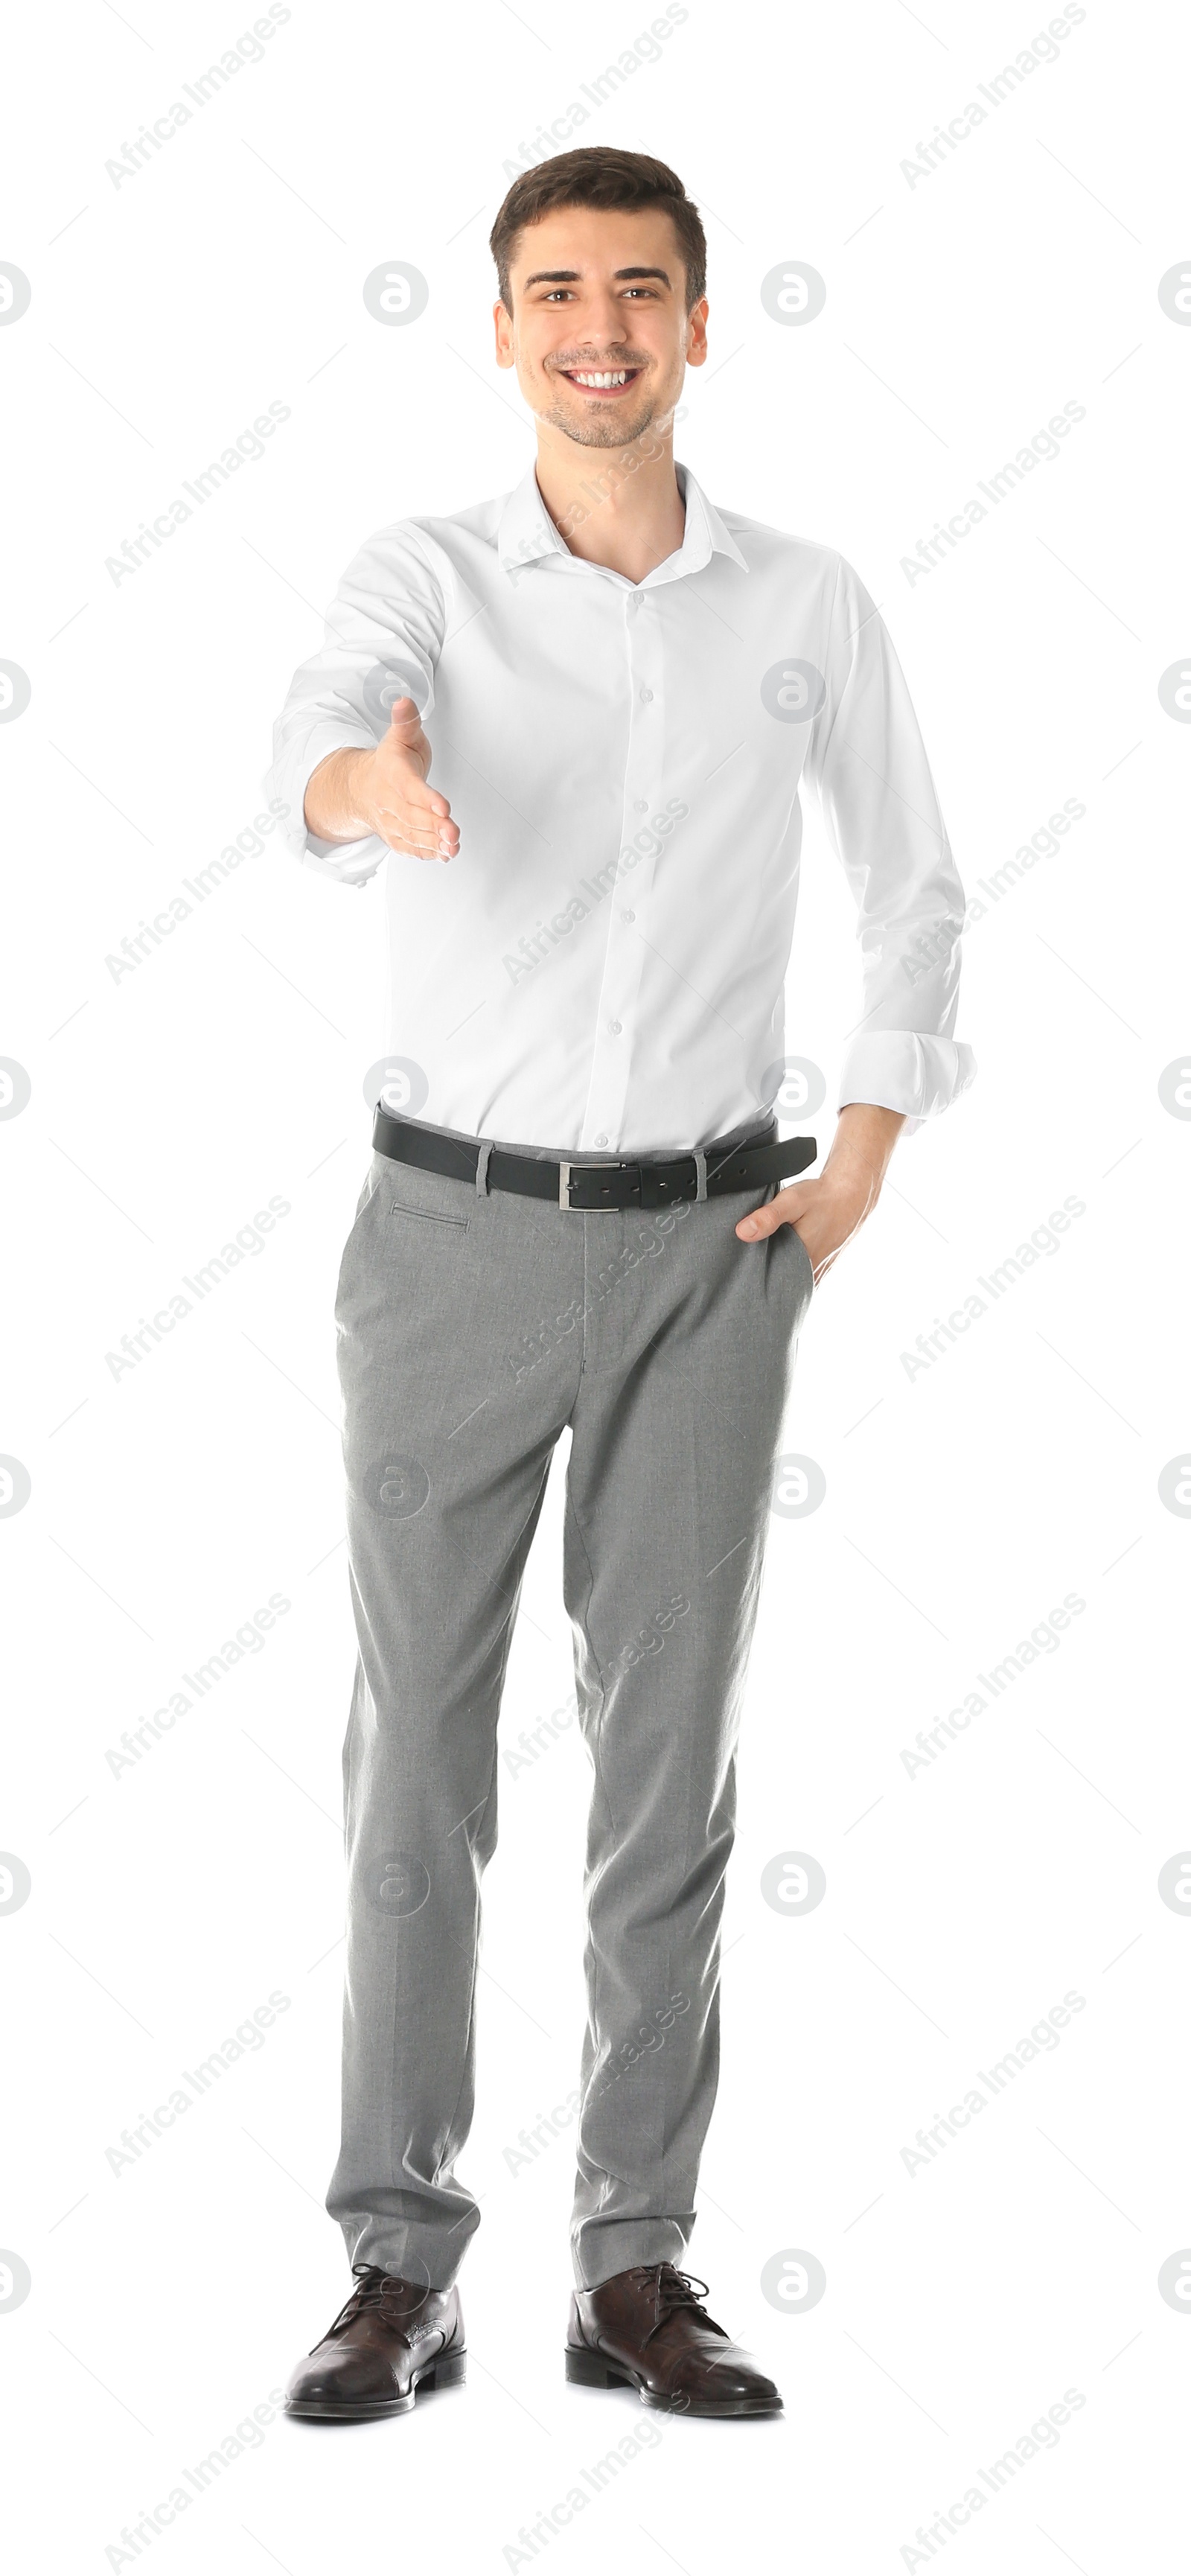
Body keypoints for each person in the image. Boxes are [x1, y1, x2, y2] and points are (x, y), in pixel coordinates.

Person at [266, 144, 974, 2425]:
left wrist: (860, 1158)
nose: (599, 330)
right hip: (447, 1243)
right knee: (419, 1768)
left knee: (670, 1775)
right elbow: (317, 736)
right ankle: (397, 2262)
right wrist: (368, 787)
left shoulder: (807, 601)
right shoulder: (424, 574)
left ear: (696, 325)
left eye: (639, 290)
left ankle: (634, 2263)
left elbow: (918, 886)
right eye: (557, 291)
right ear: (501, 328)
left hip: (708, 1248)